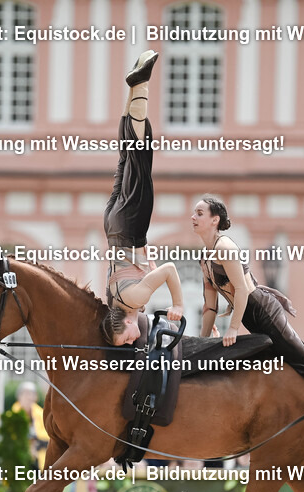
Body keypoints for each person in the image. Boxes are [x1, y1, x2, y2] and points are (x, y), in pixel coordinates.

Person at [192, 195, 304, 447]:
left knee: (302, 360)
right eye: (194, 213)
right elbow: (210, 306)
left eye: (199, 213)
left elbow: (242, 290)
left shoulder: (224, 247)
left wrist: (233, 328)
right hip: (248, 313)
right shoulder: (205, 258)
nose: (193, 217)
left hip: (263, 310)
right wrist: (202, 341)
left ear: (214, 220)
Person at [100, 51, 184, 347]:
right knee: (127, 157)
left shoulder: (134, 299)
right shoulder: (114, 299)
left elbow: (170, 270)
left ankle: (141, 84)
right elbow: (138, 267)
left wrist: (179, 303)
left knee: (140, 155)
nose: (131, 341)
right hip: (112, 226)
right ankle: (134, 89)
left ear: (125, 323)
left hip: (129, 228)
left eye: (124, 339)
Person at [0, 382, 48, 468]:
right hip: (16, 459)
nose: (29, 398)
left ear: (36, 398)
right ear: (19, 397)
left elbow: (50, 436)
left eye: (32, 394)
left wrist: (35, 439)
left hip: (39, 460)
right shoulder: (10, 415)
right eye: (26, 394)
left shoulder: (43, 416)